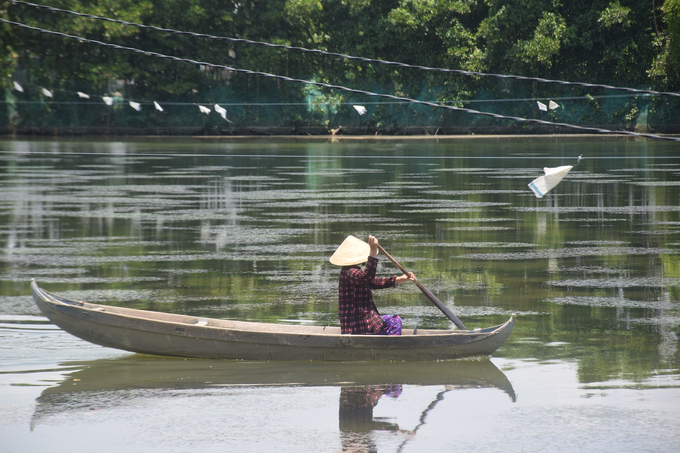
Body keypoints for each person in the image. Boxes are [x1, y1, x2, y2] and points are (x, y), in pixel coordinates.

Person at [329, 235, 416, 335]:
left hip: (365, 323)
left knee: (393, 319)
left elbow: (373, 282)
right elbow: (367, 277)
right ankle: (389, 347)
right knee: (395, 319)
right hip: (359, 327)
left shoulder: (354, 272)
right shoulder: (348, 272)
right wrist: (373, 251)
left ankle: (385, 345)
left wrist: (399, 279)